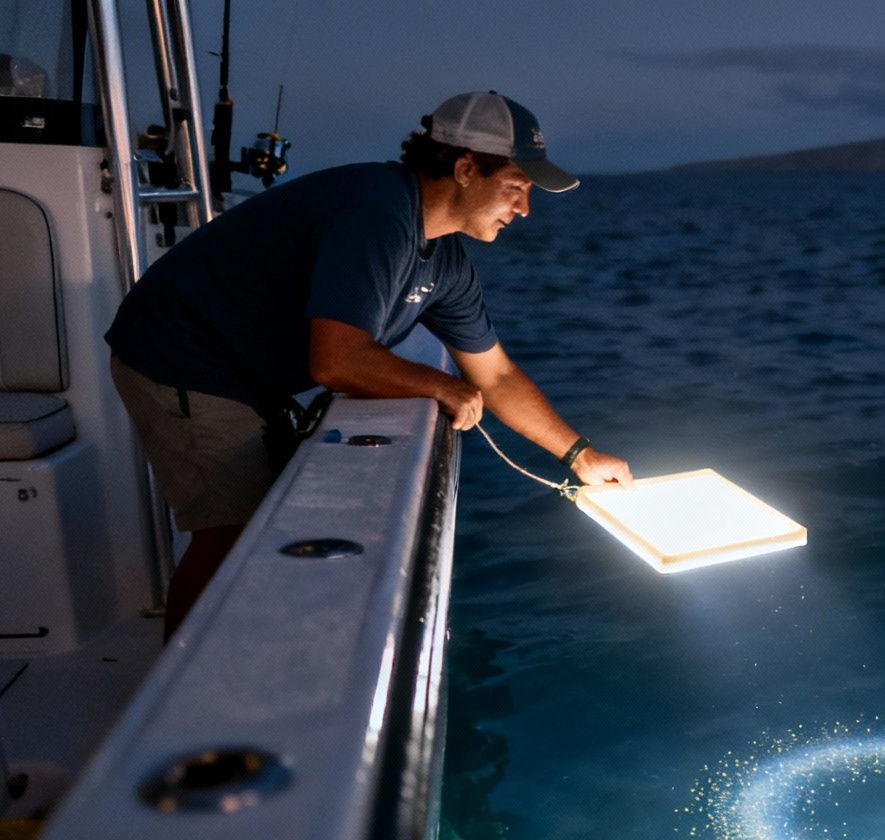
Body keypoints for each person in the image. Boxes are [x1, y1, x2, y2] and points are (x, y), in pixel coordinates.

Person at [105, 91, 631, 638]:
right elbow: (336, 360)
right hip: (183, 354)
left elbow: (495, 374)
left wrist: (581, 455)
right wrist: (441, 388)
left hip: (249, 375)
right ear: (466, 168)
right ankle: (187, 695)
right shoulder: (376, 214)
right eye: (517, 187)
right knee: (230, 535)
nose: (524, 209)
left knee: (256, 527)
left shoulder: (445, 260)